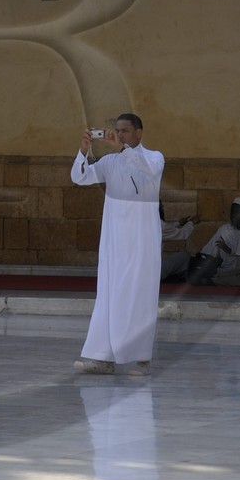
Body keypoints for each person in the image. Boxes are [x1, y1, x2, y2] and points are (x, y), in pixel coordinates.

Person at [71, 114, 164, 376]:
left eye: (125, 131)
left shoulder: (155, 157)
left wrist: (122, 150)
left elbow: (146, 170)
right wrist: (84, 150)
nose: (119, 135)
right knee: (109, 293)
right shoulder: (109, 162)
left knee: (138, 293)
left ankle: (139, 356)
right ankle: (101, 357)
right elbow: (80, 178)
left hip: (142, 237)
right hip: (114, 237)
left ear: (138, 133)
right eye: (117, 131)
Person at [187, 197, 240, 285]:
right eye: (232, 212)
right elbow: (208, 252)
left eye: (237, 212)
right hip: (227, 270)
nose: (233, 215)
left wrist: (231, 250)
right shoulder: (225, 229)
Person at [158, 208, 196, 282]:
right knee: (185, 256)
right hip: (155, 272)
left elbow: (166, 229)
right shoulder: (157, 224)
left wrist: (178, 223)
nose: (163, 206)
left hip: (136, 270)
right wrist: (192, 222)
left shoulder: (138, 222)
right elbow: (183, 234)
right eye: (161, 205)